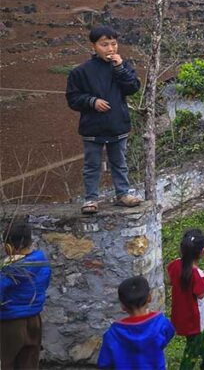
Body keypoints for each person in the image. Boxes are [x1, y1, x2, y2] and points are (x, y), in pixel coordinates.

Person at [65, 24, 142, 214]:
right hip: (93, 126)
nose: (110, 49)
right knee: (92, 165)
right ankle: (91, 199)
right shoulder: (81, 72)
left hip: (117, 124)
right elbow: (73, 98)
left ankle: (122, 194)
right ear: (94, 46)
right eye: (104, 44)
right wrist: (92, 101)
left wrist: (120, 68)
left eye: (113, 44)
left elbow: (132, 88)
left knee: (119, 162)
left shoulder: (123, 67)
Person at [0, 219, 51, 369]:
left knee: (6, 363)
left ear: (9, 246)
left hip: (11, 323)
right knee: (29, 363)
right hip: (34, 320)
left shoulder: (11, 270)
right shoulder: (42, 261)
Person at [97, 276, 175, 370]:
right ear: (149, 298)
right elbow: (168, 335)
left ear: (123, 306)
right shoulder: (161, 323)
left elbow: (104, 363)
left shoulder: (113, 334)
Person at [168, 229, 204, 370]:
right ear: (202, 251)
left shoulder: (175, 264)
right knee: (192, 351)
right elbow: (200, 294)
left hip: (179, 313)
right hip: (194, 319)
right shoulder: (198, 274)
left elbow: (170, 278)